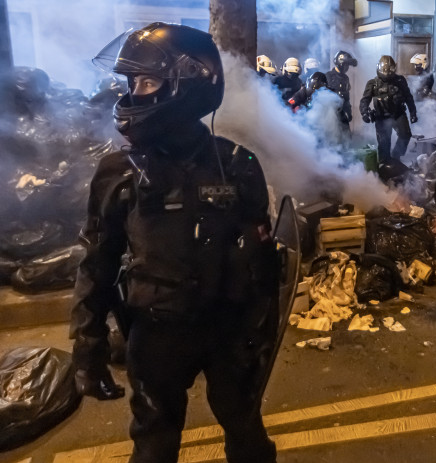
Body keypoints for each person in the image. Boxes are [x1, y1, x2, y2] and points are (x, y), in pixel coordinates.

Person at [71, 23, 280, 463]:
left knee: (246, 433)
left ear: (188, 84)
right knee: (154, 443)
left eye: (147, 82)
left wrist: (260, 336)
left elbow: (265, 264)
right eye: (131, 83)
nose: (134, 94)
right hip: (156, 334)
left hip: (228, 331)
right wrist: (87, 344)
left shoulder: (238, 165)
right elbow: (97, 262)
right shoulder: (118, 172)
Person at [359, 55, 418, 168]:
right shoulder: (373, 83)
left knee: (406, 135)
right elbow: (364, 101)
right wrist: (365, 113)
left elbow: (408, 97)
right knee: (384, 144)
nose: (386, 74)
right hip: (382, 117)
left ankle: (396, 157)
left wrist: (413, 112)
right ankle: (384, 167)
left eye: (389, 72)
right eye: (384, 71)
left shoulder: (400, 80)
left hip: (398, 114)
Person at [325, 50, 358, 131]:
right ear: (340, 63)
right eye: (346, 64)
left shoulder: (346, 78)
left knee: (346, 136)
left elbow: (346, 97)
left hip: (342, 112)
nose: (347, 67)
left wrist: (349, 112)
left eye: (348, 65)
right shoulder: (328, 76)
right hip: (330, 112)